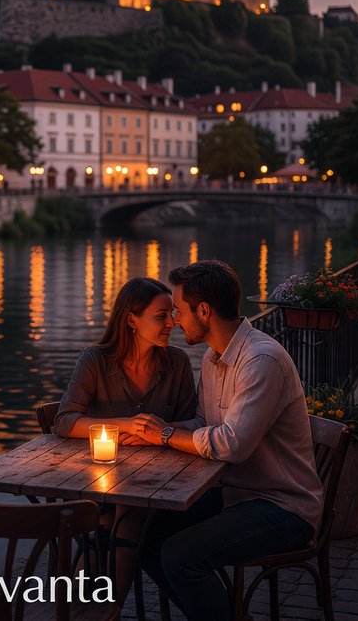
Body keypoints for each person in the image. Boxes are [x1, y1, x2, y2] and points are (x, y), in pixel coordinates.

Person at [130, 260, 322, 619]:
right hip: (236, 495)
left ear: (204, 311)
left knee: (180, 555)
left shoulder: (260, 360)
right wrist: (152, 434)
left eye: (179, 311)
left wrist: (168, 435)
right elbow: (205, 423)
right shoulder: (215, 355)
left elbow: (232, 444)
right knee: (143, 534)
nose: (174, 322)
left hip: (282, 506)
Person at [54, 276, 197, 602]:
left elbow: (193, 423)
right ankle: (94, 605)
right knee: (103, 515)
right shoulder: (95, 360)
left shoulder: (177, 363)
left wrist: (160, 433)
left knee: (123, 516)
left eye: (172, 314)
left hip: (160, 485)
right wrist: (125, 425)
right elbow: (64, 421)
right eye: (161, 316)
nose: (171, 323)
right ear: (132, 319)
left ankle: (108, 606)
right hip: (97, 481)